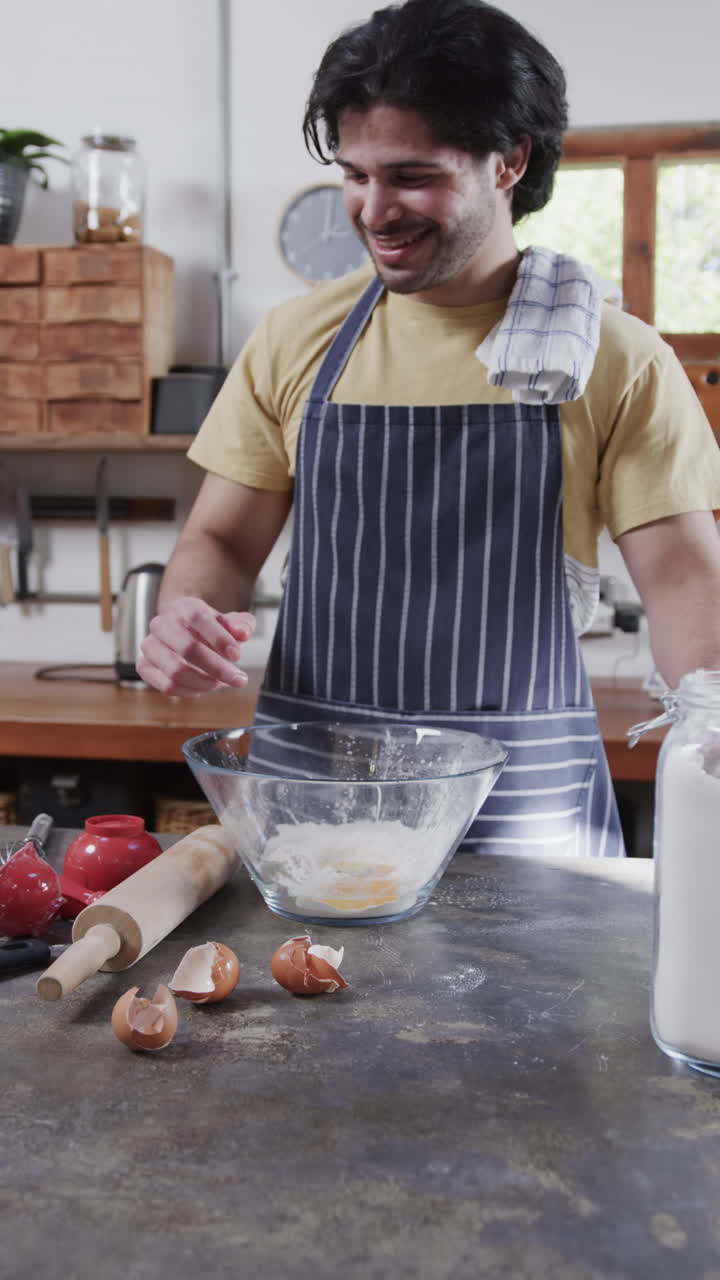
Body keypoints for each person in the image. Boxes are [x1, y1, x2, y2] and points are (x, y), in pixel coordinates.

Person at [138, 0, 720, 857]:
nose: (375, 210)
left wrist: (710, 713)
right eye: (355, 174)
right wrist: (185, 618)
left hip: (521, 808)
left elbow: (678, 577)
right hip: (317, 801)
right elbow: (222, 539)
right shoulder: (296, 340)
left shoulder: (614, 358)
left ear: (509, 161)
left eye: (412, 175)